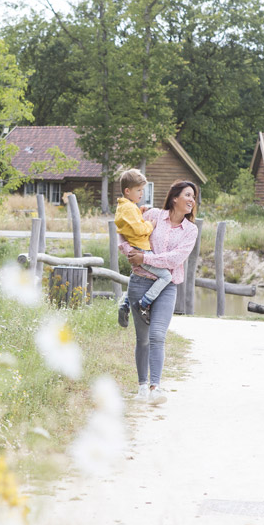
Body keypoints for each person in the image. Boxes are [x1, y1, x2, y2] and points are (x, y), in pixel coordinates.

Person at [120, 180, 200, 405]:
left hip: (167, 287)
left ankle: (156, 386)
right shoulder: (153, 215)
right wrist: (131, 253)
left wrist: (144, 258)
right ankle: (142, 386)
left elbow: (175, 259)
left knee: (157, 335)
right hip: (140, 282)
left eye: (193, 196)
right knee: (142, 339)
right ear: (175, 198)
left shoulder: (190, 230)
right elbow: (125, 232)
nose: (192, 200)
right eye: (187, 195)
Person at [114, 169, 172, 328]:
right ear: (127, 191)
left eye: (142, 190)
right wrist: (150, 225)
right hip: (141, 250)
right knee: (166, 276)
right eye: (138, 190)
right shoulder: (129, 208)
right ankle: (144, 304)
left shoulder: (125, 206)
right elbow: (139, 229)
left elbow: (131, 223)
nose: (141, 193)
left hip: (136, 247)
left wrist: (140, 212)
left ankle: (125, 304)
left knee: (137, 273)